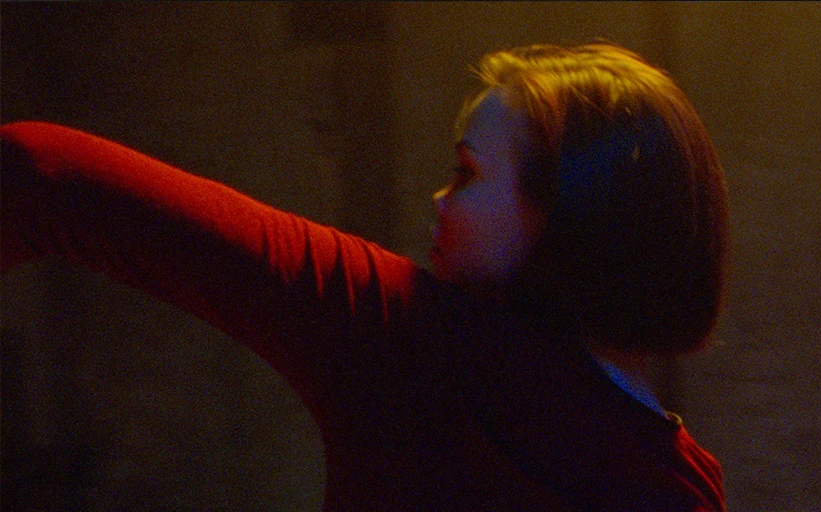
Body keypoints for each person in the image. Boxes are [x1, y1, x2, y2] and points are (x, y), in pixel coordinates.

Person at [1, 43, 729, 510]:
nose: (439, 202)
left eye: (466, 173)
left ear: (566, 217)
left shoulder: (414, 342)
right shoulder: (686, 489)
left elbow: (39, 172)